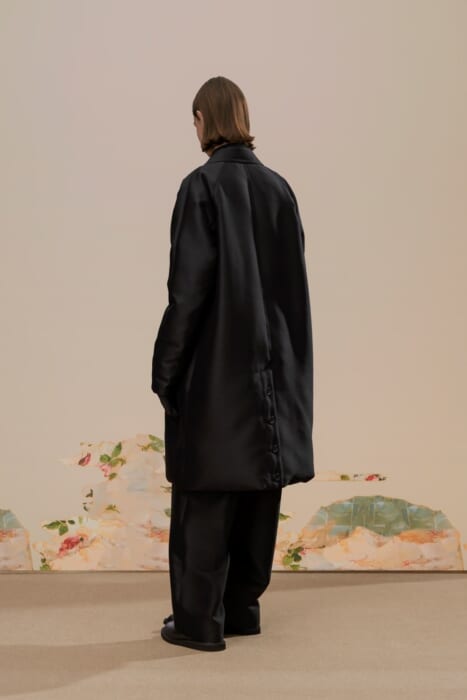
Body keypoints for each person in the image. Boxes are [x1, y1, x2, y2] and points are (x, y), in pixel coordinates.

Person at [151, 76, 314, 652]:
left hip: (216, 371)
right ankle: (242, 609)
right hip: (276, 372)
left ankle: (199, 622)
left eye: (194, 119)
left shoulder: (200, 187)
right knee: (258, 489)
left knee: (205, 494)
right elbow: (293, 289)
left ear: (203, 119)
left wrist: (166, 369)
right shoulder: (279, 189)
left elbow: (188, 293)